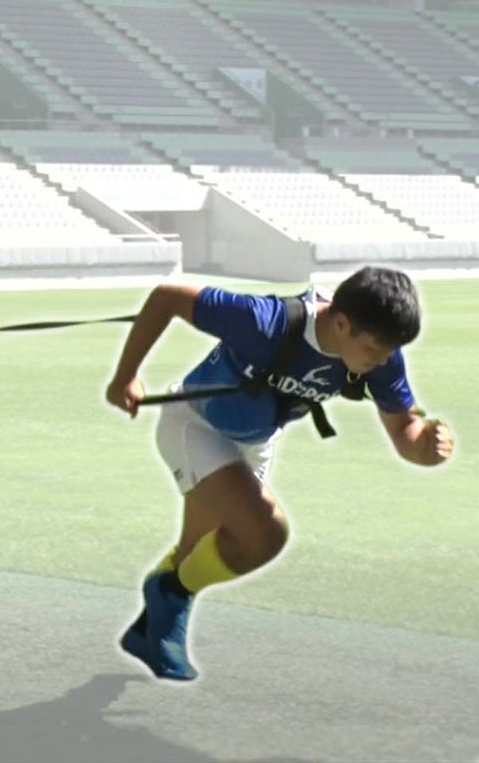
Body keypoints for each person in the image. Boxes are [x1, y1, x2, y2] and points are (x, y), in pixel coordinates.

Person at [105, 267, 454, 681]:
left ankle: (150, 631)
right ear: (342, 324)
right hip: (195, 425)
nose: (381, 362)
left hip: (256, 442)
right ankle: (169, 591)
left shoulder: (381, 354)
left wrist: (425, 449)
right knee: (265, 533)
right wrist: (125, 377)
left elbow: (404, 429)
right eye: (374, 351)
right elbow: (168, 295)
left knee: (200, 549)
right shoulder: (263, 321)